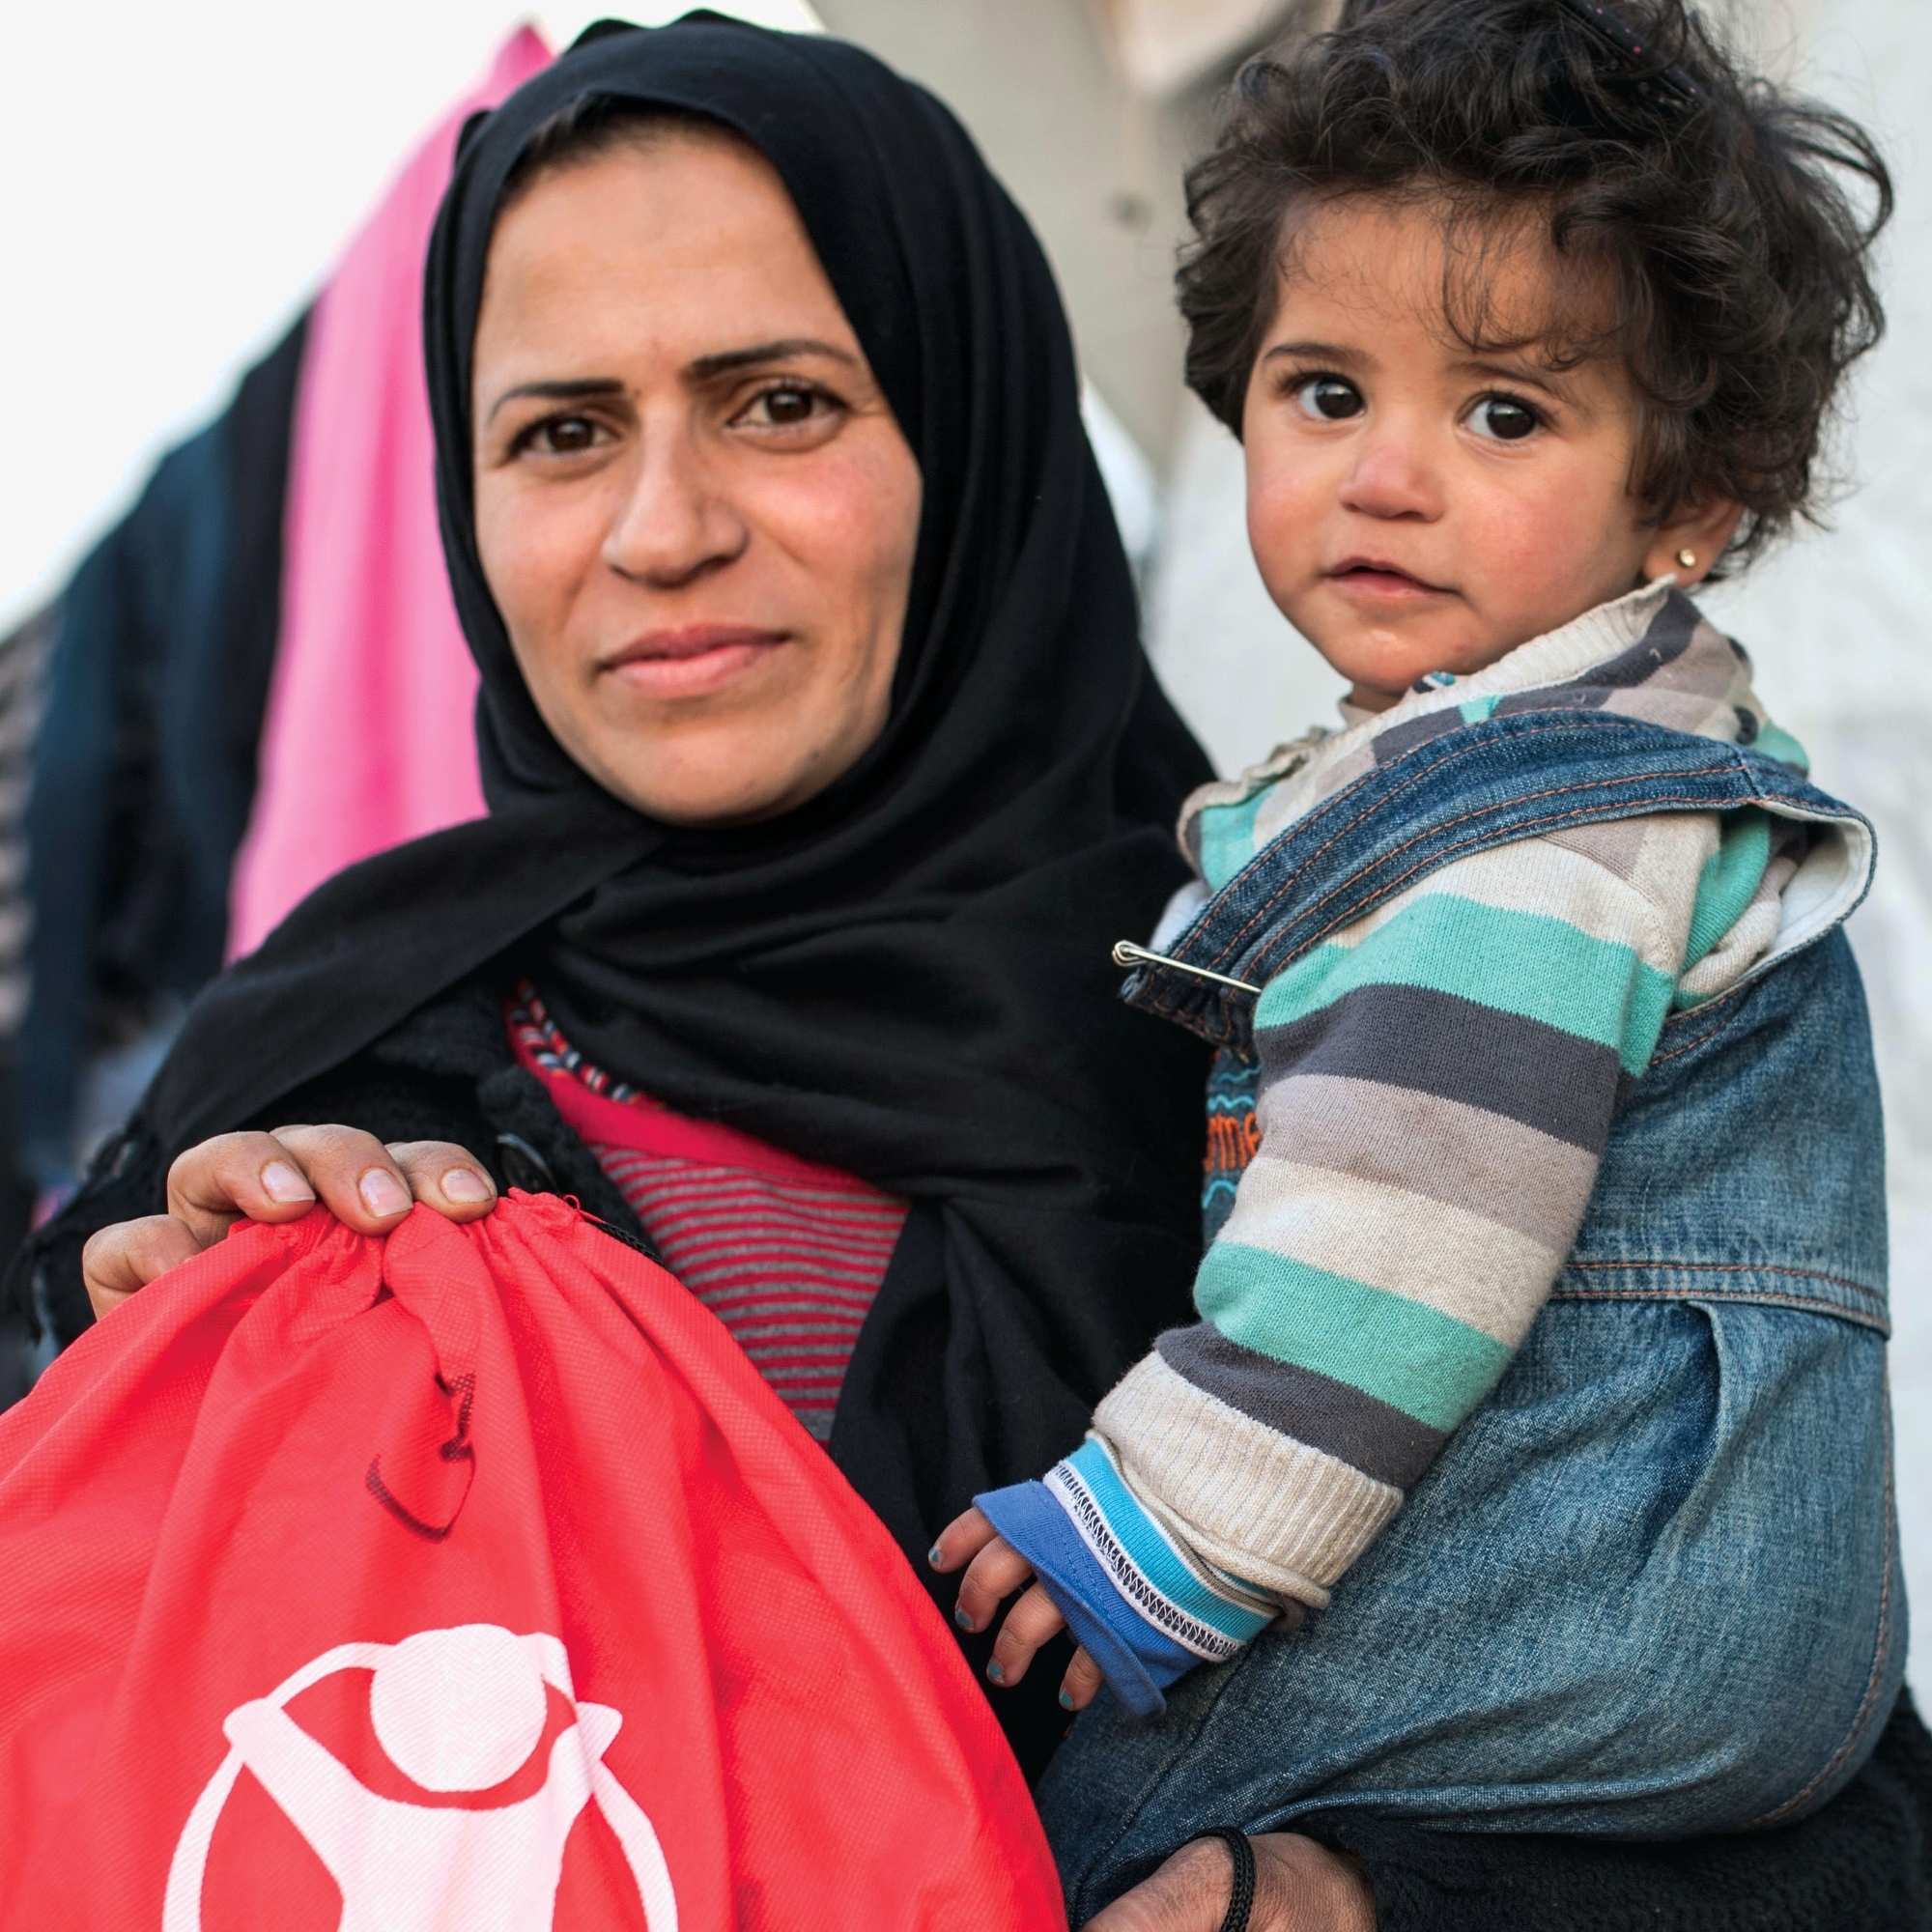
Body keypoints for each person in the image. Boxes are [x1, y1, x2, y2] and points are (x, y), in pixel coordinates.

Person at [21, 15, 1928, 1932]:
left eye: (780, 404)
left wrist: (1359, 1900)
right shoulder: (328, 1034)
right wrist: (163, 1366)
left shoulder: (1297, 993)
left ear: (969, 427)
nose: (664, 529)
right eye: (562, 431)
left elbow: (1833, 1810)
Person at [923, 0, 1908, 1905]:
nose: (1384, 474)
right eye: (1324, 392)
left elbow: (1398, 1235)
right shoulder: (1606, 754)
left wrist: (1152, 1530)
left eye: (1503, 412)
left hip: (1596, 1617)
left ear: (1686, 503)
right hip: (1721, 1624)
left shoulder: (1522, 842)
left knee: (1062, 1835)